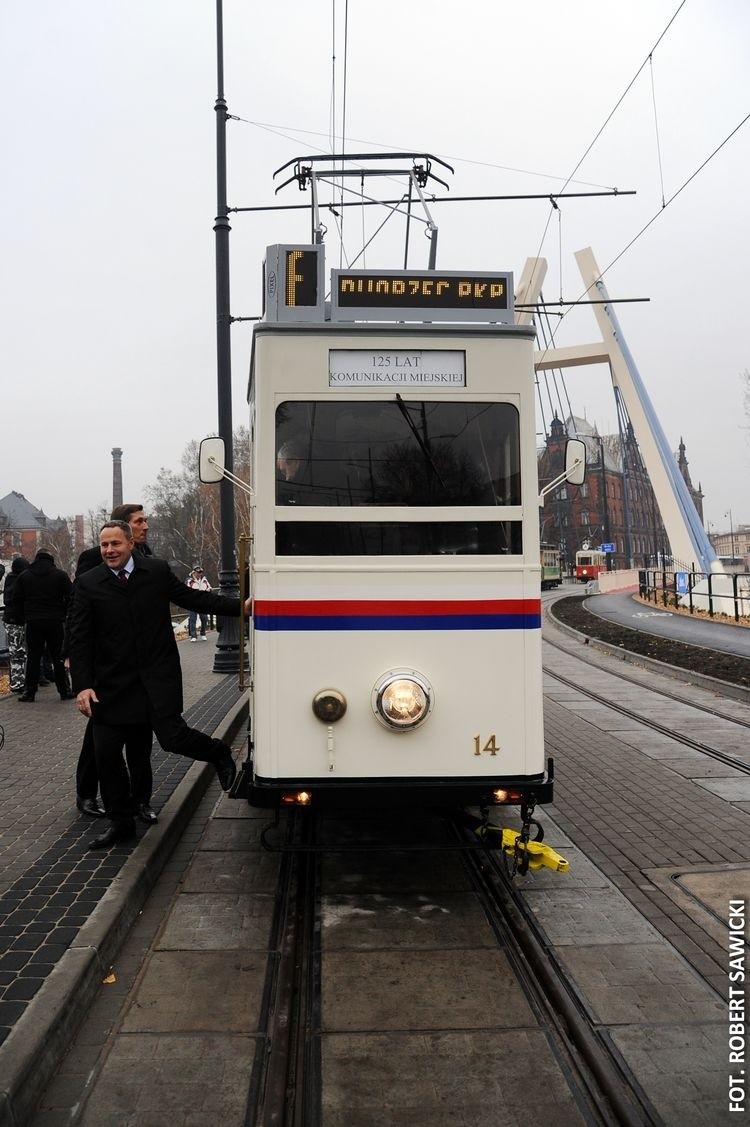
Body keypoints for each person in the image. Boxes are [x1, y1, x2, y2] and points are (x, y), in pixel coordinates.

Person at [68, 520, 252, 850]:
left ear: (130, 545)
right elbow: (79, 638)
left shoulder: (155, 572)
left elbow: (194, 599)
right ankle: (121, 822)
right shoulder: (88, 583)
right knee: (106, 755)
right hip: (111, 687)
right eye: (104, 545)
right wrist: (82, 685)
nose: (109, 550)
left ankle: (219, 753)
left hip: (156, 680)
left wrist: (240, 607)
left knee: (173, 739)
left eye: (115, 544)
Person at [73, 503, 155, 822]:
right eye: (139, 521)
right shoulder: (94, 560)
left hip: (136, 668)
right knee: (98, 742)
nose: (145, 526)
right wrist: (75, 662)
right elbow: (77, 613)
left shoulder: (144, 556)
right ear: (125, 527)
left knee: (138, 742)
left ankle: (138, 800)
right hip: (103, 670)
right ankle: (87, 794)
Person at [9, 549, 74, 702]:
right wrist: (63, 613)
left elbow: (16, 599)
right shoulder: (60, 575)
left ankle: (29, 692)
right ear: (51, 559)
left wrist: (25, 616)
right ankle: (64, 691)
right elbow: (72, 596)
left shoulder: (25, 576)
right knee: (58, 656)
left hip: (33, 621)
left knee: (33, 656)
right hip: (55, 621)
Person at [2, 557, 30, 692]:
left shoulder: (10, 579)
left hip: (10, 619)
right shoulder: (21, 580)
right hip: (17, 620)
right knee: (19, 652)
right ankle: (18, 683)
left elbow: (8, 599)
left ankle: (17, 682)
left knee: (15, 652)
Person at [186, 564, 211, 641]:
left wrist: (208, 590)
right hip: (192, 603)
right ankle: (193, 636)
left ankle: (203, 633)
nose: (199, 574)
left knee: (204, 618)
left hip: (202, 602)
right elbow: (188, 590)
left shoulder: (204, 580)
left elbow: (209, 587)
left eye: (200, 572)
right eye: (198, 572)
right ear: (194, 573)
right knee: (193, 619)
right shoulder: (189, 581)